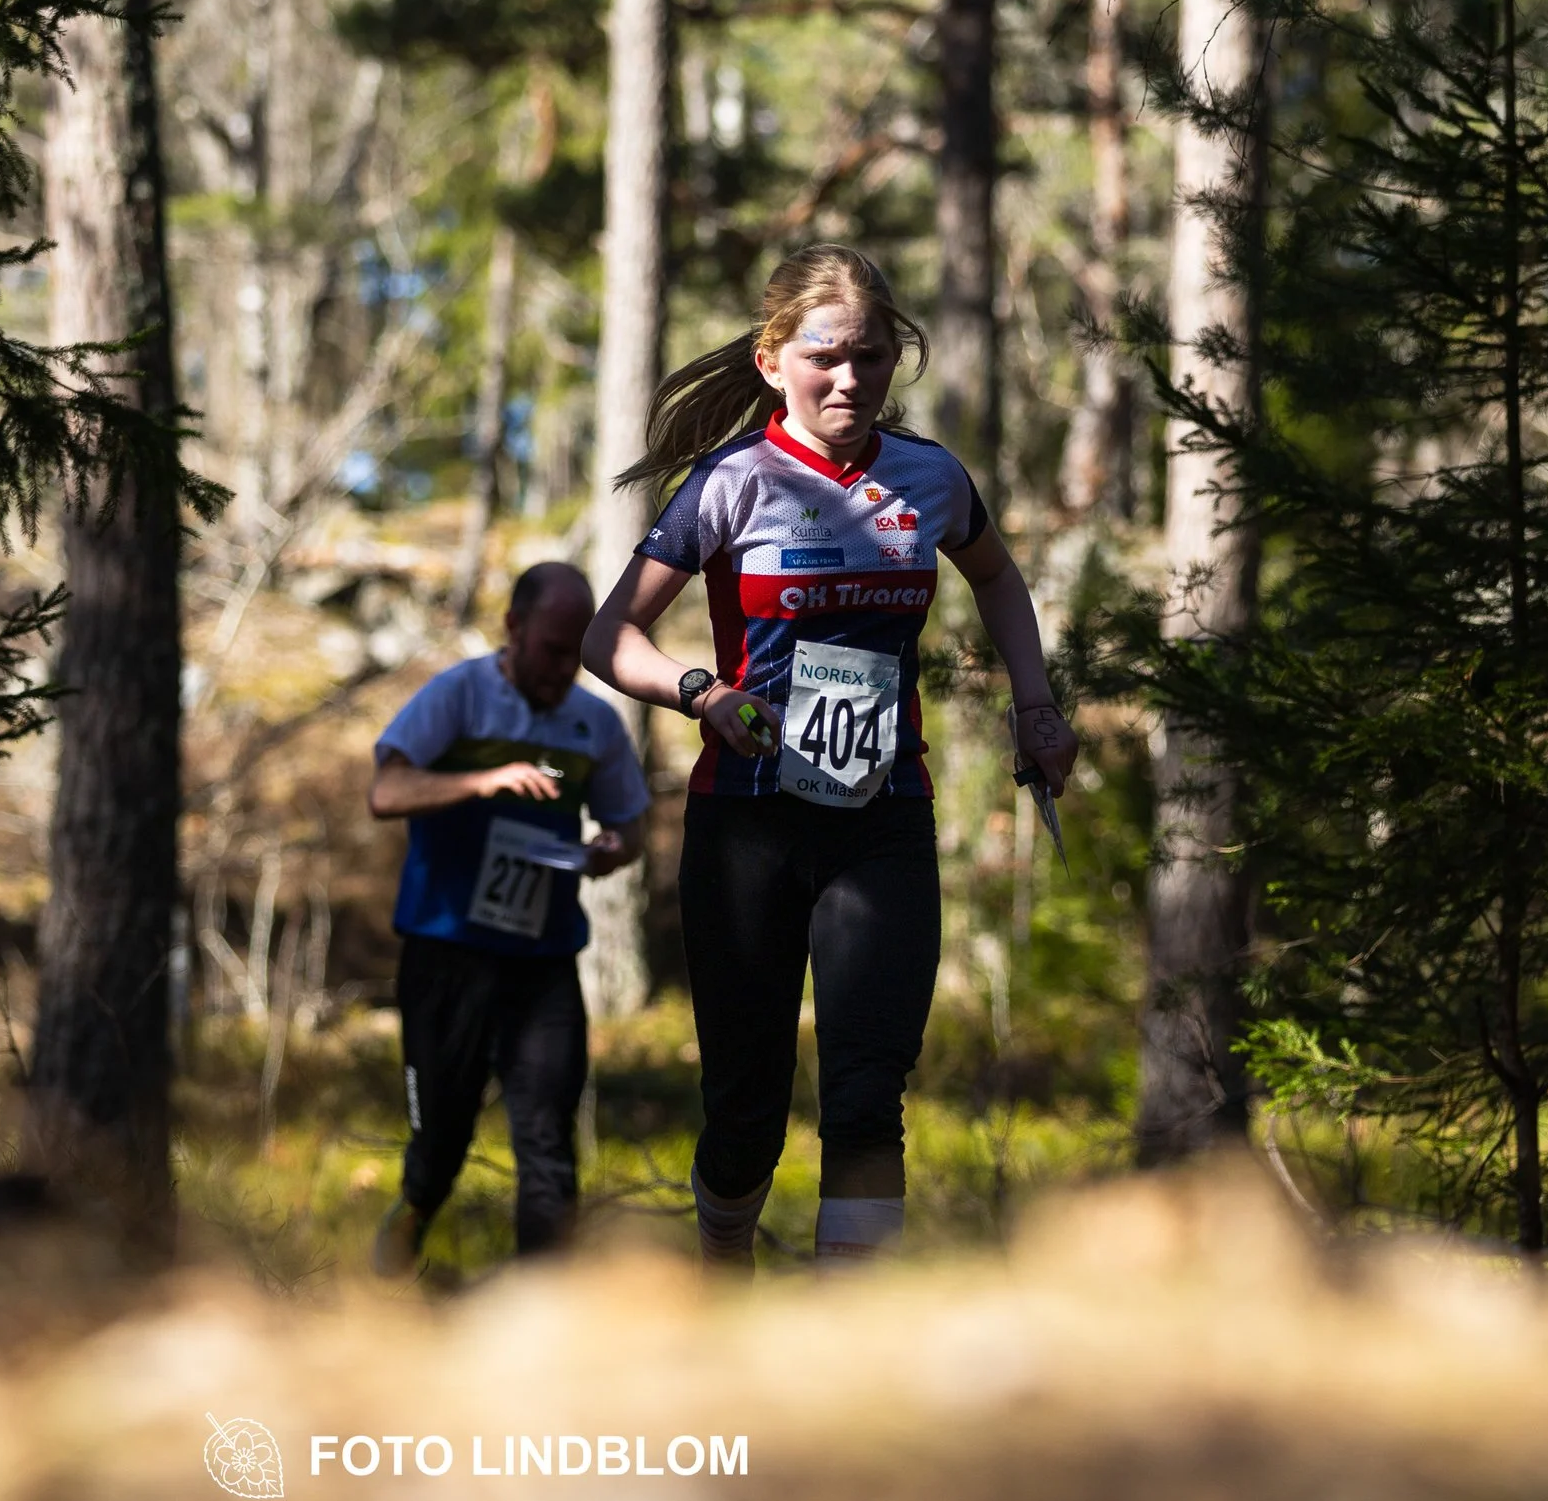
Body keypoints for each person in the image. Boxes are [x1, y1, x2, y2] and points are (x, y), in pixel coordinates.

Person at [582, 244, 1077, 1269]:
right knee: (744, 1112)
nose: (850, 377)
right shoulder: (731, 482)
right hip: (747, 825)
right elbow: (607, 638)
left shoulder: (929, 477)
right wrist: (700, 692)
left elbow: (998, 580)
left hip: (880, 816)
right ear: (773, 362)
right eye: (825, 357)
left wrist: (1036, 704)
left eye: (872, 356)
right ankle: (724, 1264)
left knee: (866, 1092)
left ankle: (851, 1332)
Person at [366, 562, 651, 1275]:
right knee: (441, 1138)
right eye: (553, 648)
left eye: (576, 651)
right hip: (446, 951)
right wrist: (481, 780)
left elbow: (632, 826)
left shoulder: (596, 723)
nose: (563, 667)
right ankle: (414, 1215)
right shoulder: (459, 696)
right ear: (514, 627)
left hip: (543, 960)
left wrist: (614, 848)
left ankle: (541, 1310)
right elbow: (386, 789)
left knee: (548, 1142)